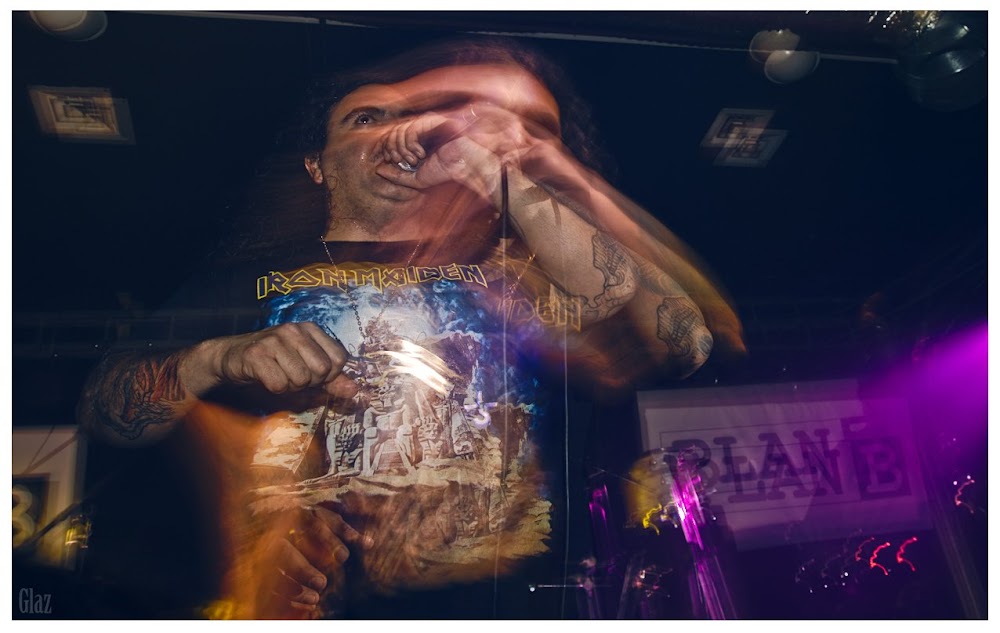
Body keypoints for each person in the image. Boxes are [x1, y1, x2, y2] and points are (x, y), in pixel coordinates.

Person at [78, 37, 743, 619]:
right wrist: (215, 359)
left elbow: (682, 340)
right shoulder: (252, 281)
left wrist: (494, 171)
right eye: (366, 118)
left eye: (408, 117)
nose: (397, 132)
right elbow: (108, 411)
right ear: (318, 164)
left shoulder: (509, 275)